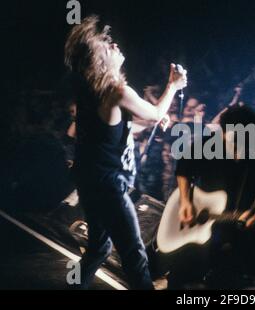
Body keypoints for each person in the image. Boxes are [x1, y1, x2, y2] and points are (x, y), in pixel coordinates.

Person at [64, 16, 187, 289]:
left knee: (98, 249)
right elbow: (155, 114)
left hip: (91, 183)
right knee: (135, 256)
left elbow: (113, 132)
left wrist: (147, 120)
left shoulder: (93, 93)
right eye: (107, 46)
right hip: (109, 187)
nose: (115, 45)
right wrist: (173, 86)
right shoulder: (116, 90)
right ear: (100, 61)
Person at [174, 105, 255, 289]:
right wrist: (185, 201)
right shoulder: (207, 145)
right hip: (200, 223)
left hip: (237, 229)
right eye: (230, 137)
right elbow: (183, 168)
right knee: (181, 276)